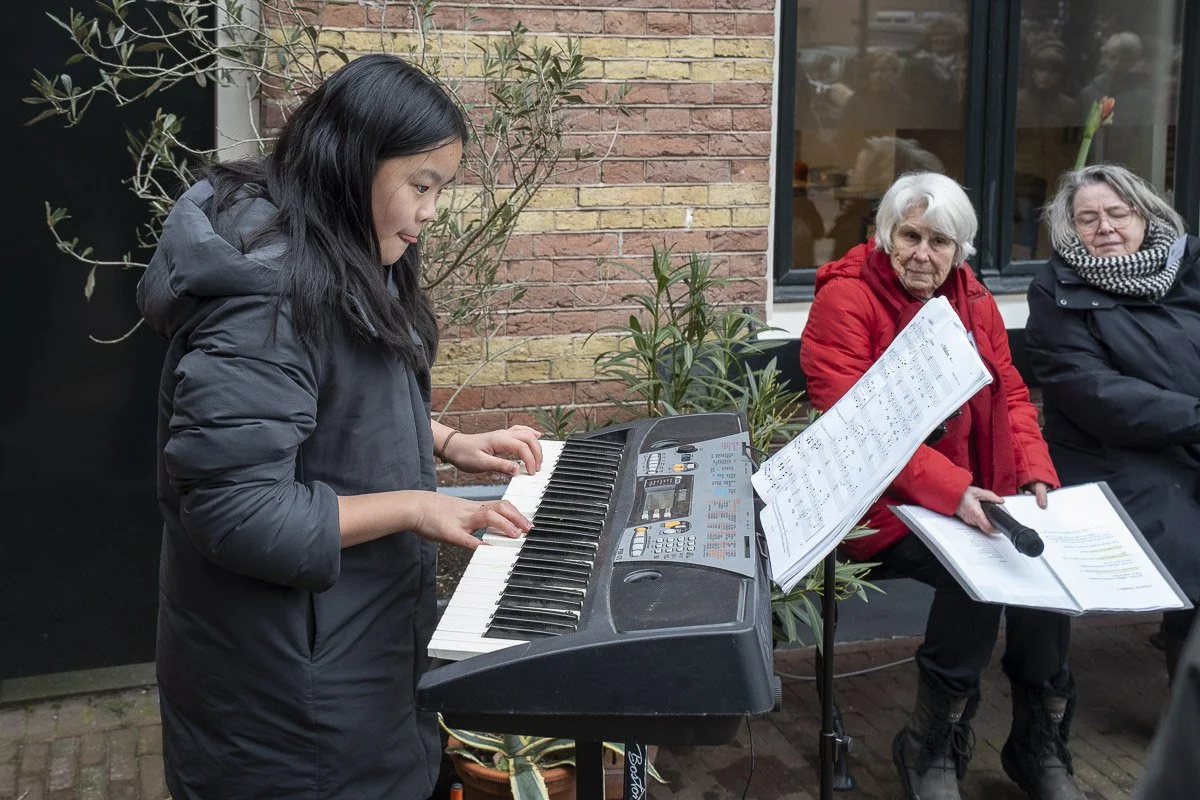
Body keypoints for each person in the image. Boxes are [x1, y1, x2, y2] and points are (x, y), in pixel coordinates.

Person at [136, 54, 544, 799]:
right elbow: (238, 510)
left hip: (342, 664)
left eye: (440, 190)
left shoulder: (337, 245)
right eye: (421, 185)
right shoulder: (267, 296)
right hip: (287, 708)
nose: (430, 212)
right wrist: (417, 506)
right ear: (355, 163)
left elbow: (329, 403)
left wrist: (446, 443)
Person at [801, 173, 1085, 800]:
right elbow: (862, 426)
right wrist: (955, 491)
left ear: (961, 250)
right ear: (886, 236)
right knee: (975, 571)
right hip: (877, 501)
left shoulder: (973, 298)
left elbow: (1011, 394)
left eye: (940, 242)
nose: (923, 255)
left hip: (968, 493)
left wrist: (1034, 468)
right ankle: (930, 744)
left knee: (1044, 565)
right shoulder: (846, 300)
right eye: (911, 236)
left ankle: (1039, 741)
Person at [1025, 164, 1200, 683]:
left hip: (1189, 439)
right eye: (1088, 219)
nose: (1105, 227)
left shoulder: (1188, 266)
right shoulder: (1055, 291)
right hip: (1111, 456)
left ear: (1144, 215)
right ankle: (1186, 709)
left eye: (1118, 213)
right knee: (1190, 545)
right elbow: (1095, 394)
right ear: (1070, 229)